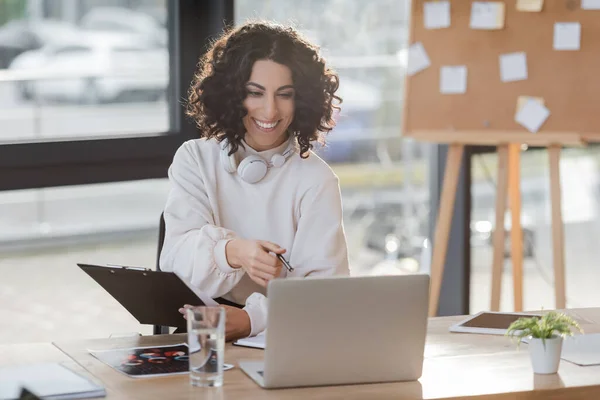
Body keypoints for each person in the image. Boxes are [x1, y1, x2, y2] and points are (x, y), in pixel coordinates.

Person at [159, 20, 350, 341]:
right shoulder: (194, 158)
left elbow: (327, 293)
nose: (270, 110)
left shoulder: (317, 180)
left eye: (284, 95)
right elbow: (174, 260)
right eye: (254, 93)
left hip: (281, 335)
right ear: (232, 94)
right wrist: (233, 252)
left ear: (302, 99)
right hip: (200, 330)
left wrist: (252, 320)